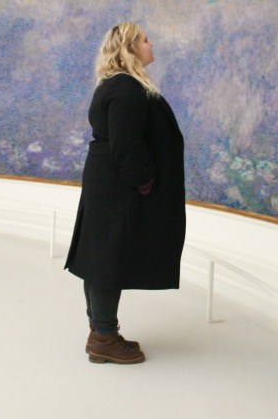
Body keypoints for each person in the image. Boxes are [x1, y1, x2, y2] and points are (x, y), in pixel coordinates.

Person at [64, 22, 186, 364]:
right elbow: (126, 144)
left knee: (101, 256)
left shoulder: (115, 85)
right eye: (144, 39)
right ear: (130, 48)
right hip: (118, 188)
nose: (151, 43)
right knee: (107, 259)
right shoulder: (126, 88)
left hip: (109, 184)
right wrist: (144, 180)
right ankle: (103, 337)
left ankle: (101, 332)